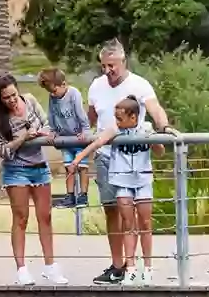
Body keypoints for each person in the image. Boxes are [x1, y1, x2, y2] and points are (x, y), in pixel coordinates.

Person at [86, 39, 179, 285]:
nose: (108, 71)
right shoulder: (96, 86)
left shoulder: (139, 84)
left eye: (112, 66)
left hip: (133, 161)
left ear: (123, 61)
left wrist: (164, 127)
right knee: (112, 210)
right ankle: (119, 266)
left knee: (136, 215)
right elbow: (91, 117)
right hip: (107, 157)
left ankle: (139, 265)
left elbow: (155, 109)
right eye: (104, 66)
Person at [0, 74, 70, 286]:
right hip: (16, 170)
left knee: (46, 216)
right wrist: (22, 138)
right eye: (6, 98)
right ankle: (22, 269)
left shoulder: (30, 100)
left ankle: (51, 267)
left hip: (39, 167)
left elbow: (48, 125)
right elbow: (0, 150)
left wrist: (40, 133)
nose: (12, 100)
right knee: (21, 217)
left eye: (14, 95)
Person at [68, 96, 160, 285]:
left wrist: (154, 140)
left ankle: (148, 268)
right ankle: (131, 268)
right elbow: (97, 143)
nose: (117, 122)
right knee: (128, 224)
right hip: (123, 181)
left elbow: (159, 151)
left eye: (120, 118)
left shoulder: (146, 129)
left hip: (142, 180)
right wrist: (78, 158)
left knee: (145, 223)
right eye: (115, 118)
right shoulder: (115, 130)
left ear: (133, 117)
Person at [37, 68, 91, 209]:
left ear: (63, 84)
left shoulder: (74, 94)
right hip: (65, 138)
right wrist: (53, 131)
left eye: (54, 91)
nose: (53, 94)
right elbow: (52, 114)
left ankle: (83, 195)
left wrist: (85, 129)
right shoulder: (53, 97)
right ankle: (70, 195)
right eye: (50, 92)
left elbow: (80, 113)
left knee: (82, 167)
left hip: (78, 138)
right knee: (69, 168)